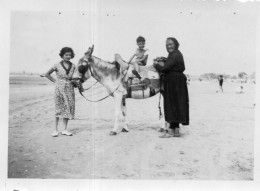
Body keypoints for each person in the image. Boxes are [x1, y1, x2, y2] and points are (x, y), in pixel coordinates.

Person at [153, 37, 189, 138]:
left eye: (171, 44)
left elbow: (165, 68)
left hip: (174, 82)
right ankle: (175, 131)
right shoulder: (175, 54)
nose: (169, 46)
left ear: (175, 44)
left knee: (171, 104)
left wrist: (156, 65)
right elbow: (170, 64)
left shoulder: (175, 54)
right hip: (177, 82)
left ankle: (171, 131)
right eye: (167, 45)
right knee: (176, 104)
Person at [45, 47, 76, 137]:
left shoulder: (74, 66)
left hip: (70, 88)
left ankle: (65, 129)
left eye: (70, 55)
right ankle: (55, 130)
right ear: (62, 55)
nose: (68, 56)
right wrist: (56, 82)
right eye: (66, 55)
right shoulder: (57, 65)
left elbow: (75, 77)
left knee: (67, 107)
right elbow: (47, 74)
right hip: (59, 88)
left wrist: (76, 84)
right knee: (58, 107)